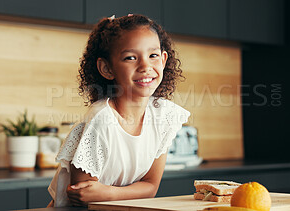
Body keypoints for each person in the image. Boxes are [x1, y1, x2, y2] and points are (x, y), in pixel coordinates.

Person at [47, 14, 190, 207]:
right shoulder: (102, 120)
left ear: (163, 60)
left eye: (153, 55)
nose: (145, 66)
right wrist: (121, 193)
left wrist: (107, 192)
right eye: (131, 57)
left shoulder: (162, 116)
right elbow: (82, 197)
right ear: (107, 68)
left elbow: (151, 187)